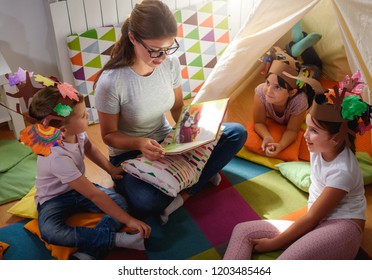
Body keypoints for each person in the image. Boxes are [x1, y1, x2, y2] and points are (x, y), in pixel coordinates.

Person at [93, 0, 247, 224]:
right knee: (147, 202)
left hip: (167, 142)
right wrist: (139, 144)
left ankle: (184, 190)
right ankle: (196, 174)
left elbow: (176, 107)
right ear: (133, 38)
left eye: (168, 48)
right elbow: (108, 136)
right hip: (130, 153)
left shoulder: (170, 63)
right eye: (155, 50)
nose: (162, 56)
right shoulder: (111, 82)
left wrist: (195, 128)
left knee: (236, 133)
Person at [223, 74, 372, 259]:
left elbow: (312, 219)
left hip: (341, 227)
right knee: (243, 231)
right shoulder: (319, 147)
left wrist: (272, 244)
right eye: (308, 127)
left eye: (314, 131)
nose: (305, 135)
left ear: (335, 139)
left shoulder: (343, 171)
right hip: (316, 222)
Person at [19, 79, 151, 260]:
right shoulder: (56, 156)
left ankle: (90, 252)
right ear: (63, 130)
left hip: (78, 188)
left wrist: (111, 170)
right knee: (51, 232)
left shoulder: (78, 132)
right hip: (53, 199)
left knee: (119, 202)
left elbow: (89, 149)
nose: (88, 116)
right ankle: (115, 239)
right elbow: (94, 195)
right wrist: (128, 221)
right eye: (82, 116)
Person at [253, 22, 322, 158]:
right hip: (292, 74)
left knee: (316, 66)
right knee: (287, 63)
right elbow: (258, 122)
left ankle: (295, 45)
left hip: (306, 78)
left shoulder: (299, 101)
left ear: (292, 93)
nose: (268, 90)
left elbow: (291, 130)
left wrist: (281, 145)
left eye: (277, 87)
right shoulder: (261, 91)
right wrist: (267, 137)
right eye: (267, 83)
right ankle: (296, 44)